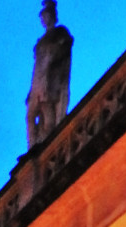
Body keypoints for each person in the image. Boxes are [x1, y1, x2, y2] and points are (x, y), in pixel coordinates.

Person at [27, 0, 73, 149]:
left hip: (50, 82)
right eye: (42, 18)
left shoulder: (60, 32)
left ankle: (50, 143)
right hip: (37, 83)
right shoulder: (41, 41)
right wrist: (31, 90)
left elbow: (64, 46)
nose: (44, 20)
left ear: (52, 17)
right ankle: (33, 146)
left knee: (48, 116)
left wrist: (52, 52)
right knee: (29, 117)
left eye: (46, 17)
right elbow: (37, 66)